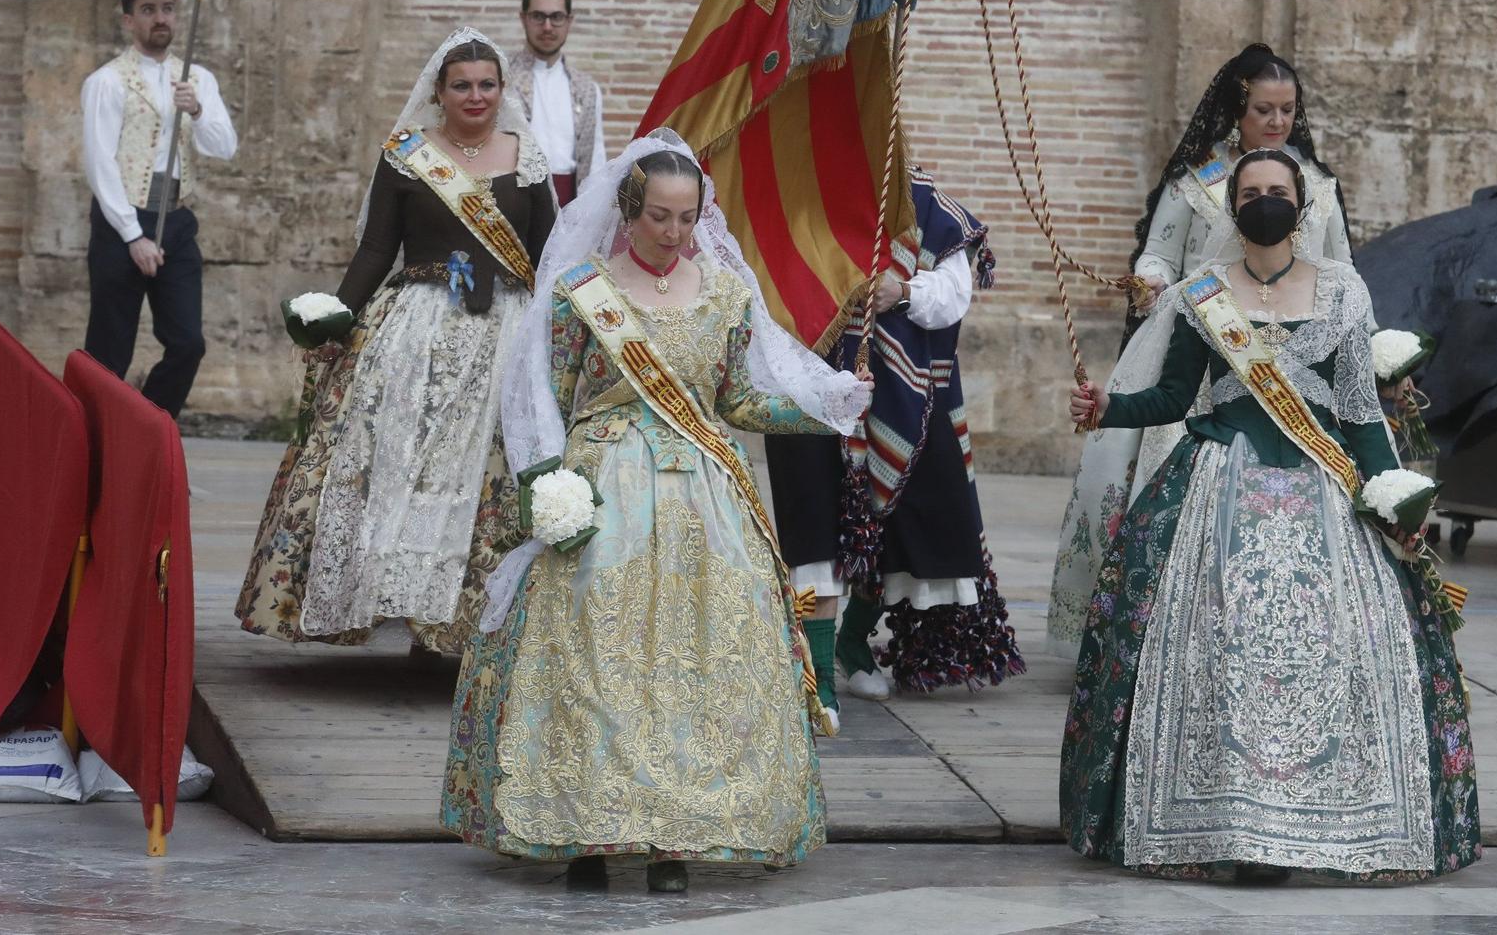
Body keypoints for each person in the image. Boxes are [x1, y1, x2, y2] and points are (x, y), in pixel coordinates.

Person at [442, 133, 872, 894]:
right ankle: (586, 836)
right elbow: (550, 390)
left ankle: (672, 840)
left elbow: (738, 401)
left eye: (686, 218)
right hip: (606, 485)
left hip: (705, 495)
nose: (673, 234)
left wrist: (826, 405)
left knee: (705, 651)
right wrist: (548, 486)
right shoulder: (583, 288)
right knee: (592, 651)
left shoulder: (728, 294)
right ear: (629, 212)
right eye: (659, 218)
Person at [1060, 149, 1479, 882]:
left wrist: (1393, 497)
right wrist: (1108, 408)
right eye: (1249, 193)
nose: (1263, 201)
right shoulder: (1202, 294)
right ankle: (1234, 824)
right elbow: (1171, 398)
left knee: (1337, 642)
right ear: (1234, 209)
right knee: (1217, 642)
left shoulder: (1344, 291)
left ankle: (1330, 817)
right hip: (1218, 483)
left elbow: (1358, 413)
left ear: (1300, 204)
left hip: (1322, 486)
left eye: (1275, 191)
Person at [236, 29, 557, 654]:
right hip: (412, 333)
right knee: (396, 465)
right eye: (461, 85)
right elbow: (377, 249)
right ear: (438, 92)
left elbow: (547, 260)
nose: (475, 95)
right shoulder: (407, 155)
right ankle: (401, 609)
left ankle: (460, 627)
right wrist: (333, 317)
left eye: (486, 84)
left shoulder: (527, 159)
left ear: (501, 90)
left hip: (504, 338)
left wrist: (562, 338)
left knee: (482, 479)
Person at [1046, 44, 1356, 658]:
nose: (1276, 122)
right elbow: (1161, 251)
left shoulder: (1314, 185)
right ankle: (1147, 633)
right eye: (1264, 110)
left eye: (1287, 111)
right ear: (1236, 110)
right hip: (1203, 342)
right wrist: (1153, 279)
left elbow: (1340, 267)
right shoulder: (1201, 182)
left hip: (1289, 358)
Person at [764, 168, 1023, 710]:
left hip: (908, 392)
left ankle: (855, 642)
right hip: (807, 383)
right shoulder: (793, 189)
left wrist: (900, 291)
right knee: (816, 527)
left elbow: (953, 295)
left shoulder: (925, 203)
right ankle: (818, 684)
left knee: (905, 524)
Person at [79, 0, 238, 419]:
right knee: (109, 351)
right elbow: (99, 162)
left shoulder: (196, 79)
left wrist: (199, 110)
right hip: (121, 222)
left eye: (167, 8)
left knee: (188, 343)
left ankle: (147, 428)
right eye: (148, 10)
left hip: (177, 220)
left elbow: (223, 147)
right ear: (130, 21)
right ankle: (95, 448)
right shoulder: (107, 81)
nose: (160, 18)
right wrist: (132, 235)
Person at [510, 0, 605, 206]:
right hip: (514, 202)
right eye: (538, 16)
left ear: (569, 21)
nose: (547, 27)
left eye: (557, 17)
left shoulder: (588, 89)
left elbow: (596, 163)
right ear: (524, 19)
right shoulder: (500, 81)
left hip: (570, 206)